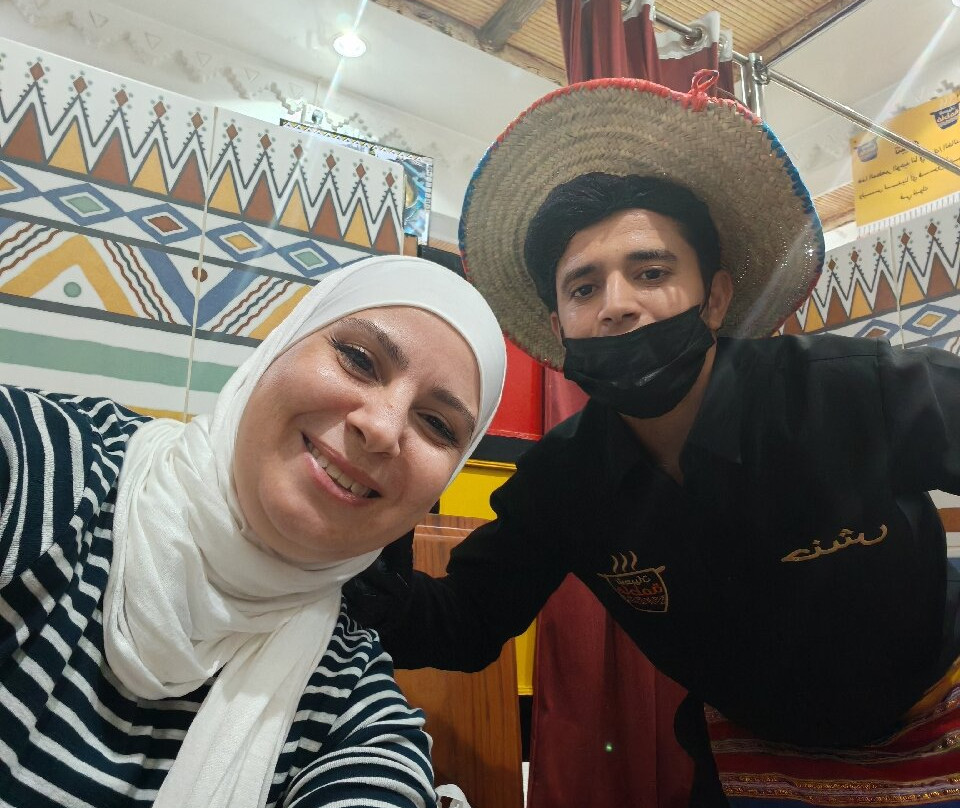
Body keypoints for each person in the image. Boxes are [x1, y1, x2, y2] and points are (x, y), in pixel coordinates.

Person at [346, 73, 960, 804]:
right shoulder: (562, 483)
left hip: (939, 715)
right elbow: (464, 624)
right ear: (559, 329)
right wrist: (354, 550)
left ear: (716, 298)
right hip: (750, 760)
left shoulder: (850, 390)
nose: (618, 306)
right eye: (584, 288)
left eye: (651, 272)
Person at [0, 255, 507, 808]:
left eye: (437, 424)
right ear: (277, 350)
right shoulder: (48, 471)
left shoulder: (348, 696)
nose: (382, 428)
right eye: (359, 359)